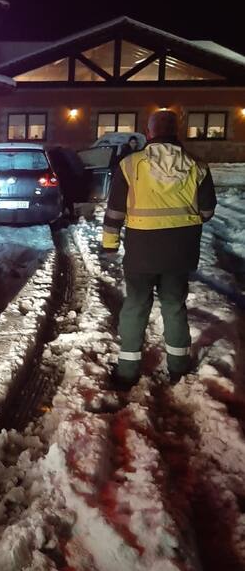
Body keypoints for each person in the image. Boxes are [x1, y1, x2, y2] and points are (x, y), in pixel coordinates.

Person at [101, 110, 216, 388]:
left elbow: (115, 211)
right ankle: (178, 367)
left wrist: (110, 245)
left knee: (136, 306)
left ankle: (128, 371)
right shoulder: (197, 166)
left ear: (148, 132)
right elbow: (207, 211)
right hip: (181, 250)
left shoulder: (130, 165)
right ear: (177, 131)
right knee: (175, 306)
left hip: (142, 250)